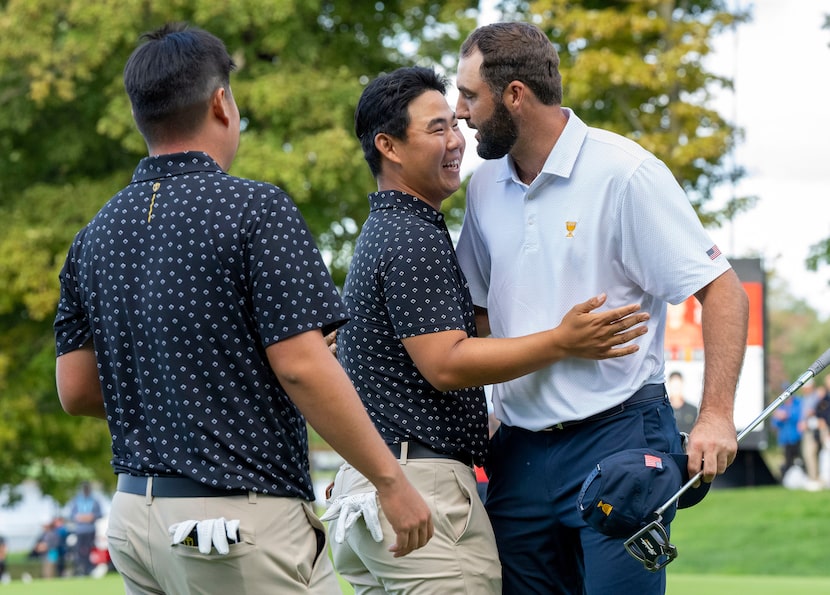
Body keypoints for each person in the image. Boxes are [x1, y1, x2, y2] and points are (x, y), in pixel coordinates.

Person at [54, 22, 432, 595]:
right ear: (221, 103)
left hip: (135, 521)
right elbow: (303, 366)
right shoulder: (254, 208)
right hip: (233, 525)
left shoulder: (93, 235)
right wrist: (391, 482)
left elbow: (76, 391)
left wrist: (202, 386)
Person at [327, 65, 649, 594]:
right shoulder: (412, 237)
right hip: (420, 492)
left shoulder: (386, 229)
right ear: (388, 146)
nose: (457, 141)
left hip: (376, 489)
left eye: (455, 124)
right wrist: (561, 342)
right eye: (436, 129)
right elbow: (447, 363)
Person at [454, 22, 749, 594]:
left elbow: (723, 290)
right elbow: (480, 316)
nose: (460, 112)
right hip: (518, 451)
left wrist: (715, 415)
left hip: (619, 438)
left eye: (470, 95)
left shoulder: (625, 173)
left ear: (514, 94)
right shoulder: (484, 185)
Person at [67, 483, 100, 575]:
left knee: (90, 549)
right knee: (80, 550)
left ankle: (89, 569)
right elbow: (71, 515)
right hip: (80, 530)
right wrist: (79, 517)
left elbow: (99, 514)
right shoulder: (76, 501)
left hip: (90, 530)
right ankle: (81, 569)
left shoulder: (94, 501)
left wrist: (91, 517)